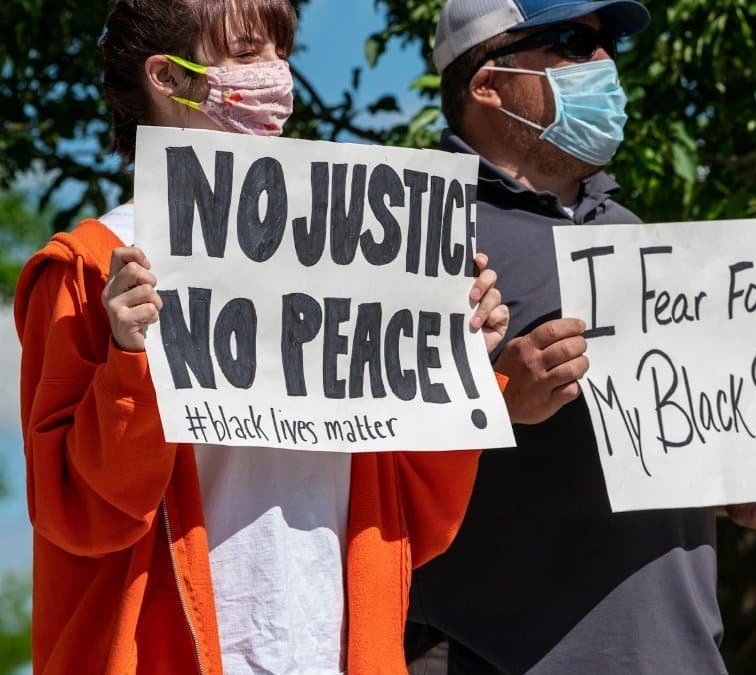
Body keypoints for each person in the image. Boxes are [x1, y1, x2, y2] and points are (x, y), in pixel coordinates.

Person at [15, 1, 509, 672]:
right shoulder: (90, 267)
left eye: (281, 52)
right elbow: (78, 516)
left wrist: (458, 363)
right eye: (249, 55)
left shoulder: (360, 257)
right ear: (169, 76)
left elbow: (415, 523)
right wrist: (128, 362)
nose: (276, 74)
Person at [407, 1, 756, 673]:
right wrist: (500, 396)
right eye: (572, 41)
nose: (602, 64)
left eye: (607, 46)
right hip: (486, 656)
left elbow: (663, 451)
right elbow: (361, 455)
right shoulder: (414, 225)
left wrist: (745, 484)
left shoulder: (638, 236)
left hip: (675, 655)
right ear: (486, 82)